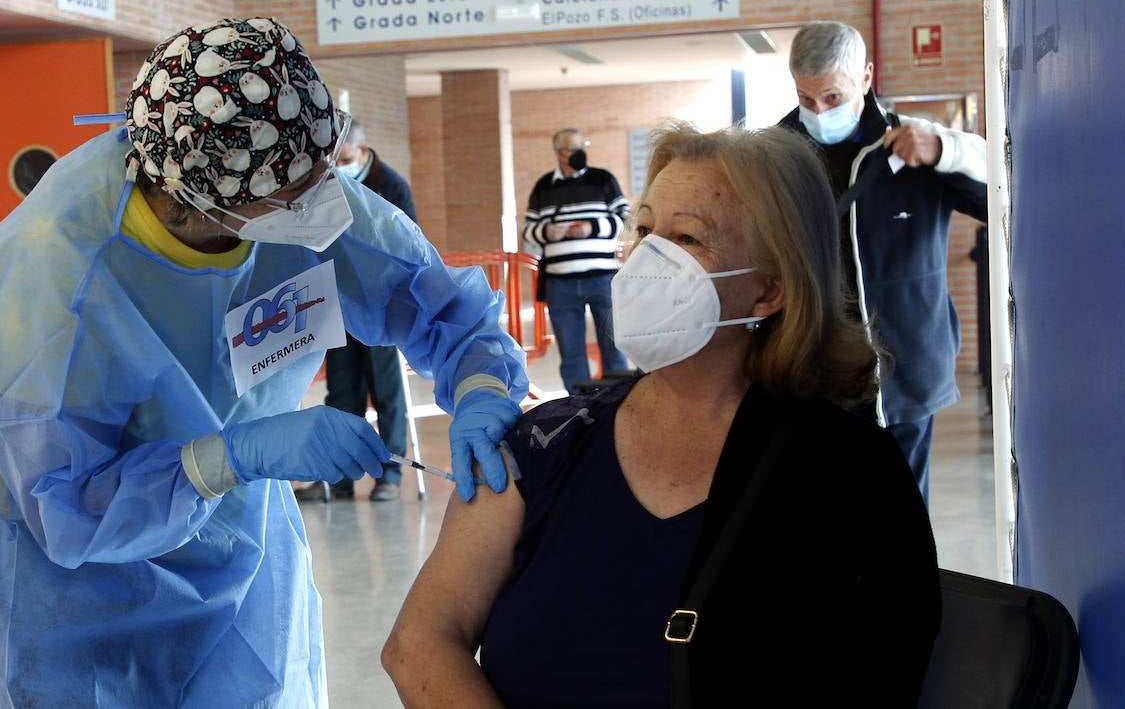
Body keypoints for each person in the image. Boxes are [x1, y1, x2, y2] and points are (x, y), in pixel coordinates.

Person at [0, 17, 528, 708]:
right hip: (58, 566)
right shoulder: (55, 280)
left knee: (260, 685)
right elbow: (70, 505)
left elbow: (441, 305)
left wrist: (481, 385)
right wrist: (233, 454)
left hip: (235, 515)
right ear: (202, 206)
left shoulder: (287, 177)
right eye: (297, 193)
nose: (325, 202)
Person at [383, 124, 941, 707]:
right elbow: (419, 641)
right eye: (646, 230)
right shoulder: (551, 442)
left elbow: (878, 675)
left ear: (769, 291)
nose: (647, 259)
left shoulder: (847, 473)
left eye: (687, 239)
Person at [778, 20, 988, 501]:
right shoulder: (777, 155)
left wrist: (946, 149)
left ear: (866, 78)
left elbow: (1003, 190)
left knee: (902, 513)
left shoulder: (913, 146)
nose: (818, 111)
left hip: (905, 368)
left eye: (832, 97)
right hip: (815, 369)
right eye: (806, 99)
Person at [296, 118, 418, 502]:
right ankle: (339, 478)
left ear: (362, 152)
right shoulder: (324, 183)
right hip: (336, 302)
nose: (338, 164)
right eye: (333, 158)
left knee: (386, 392)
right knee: (342, 392)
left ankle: (390, 475)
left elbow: (408, 247)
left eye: (344, 157)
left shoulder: (391, 185)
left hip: (380, 306)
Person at [521, 128, 632, 393]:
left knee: (614, 345)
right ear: (559, 154)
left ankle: (616, 402)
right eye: (573, 148)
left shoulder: (603, 180)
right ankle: (579, 408)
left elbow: (626, 217)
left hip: (602, 278)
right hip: (561, 284)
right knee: (571, 353)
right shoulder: (544, 186)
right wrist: (546, 232)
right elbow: (528, 228)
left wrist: (592, 228)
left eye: (583, 146)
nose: (580, 152)